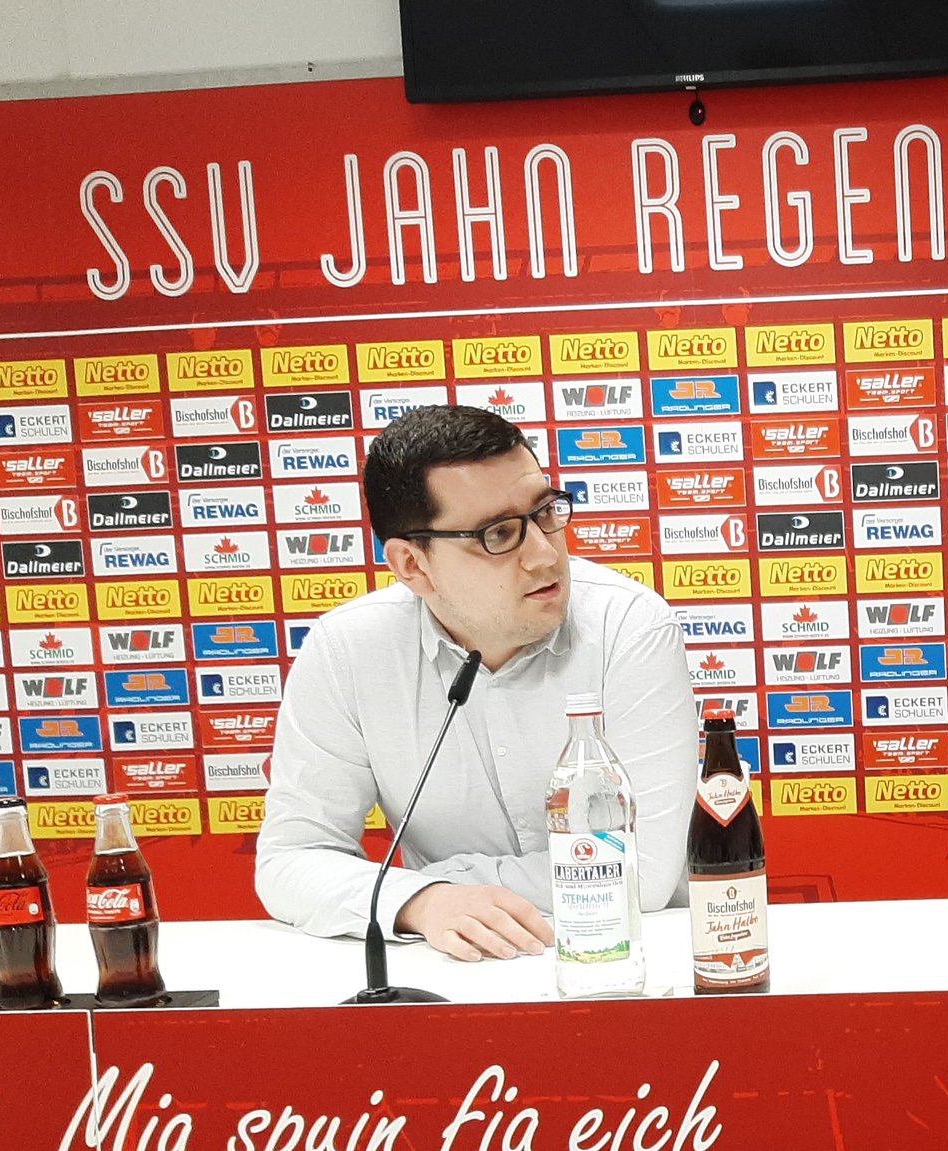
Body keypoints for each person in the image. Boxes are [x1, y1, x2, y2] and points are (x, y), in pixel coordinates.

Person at [257, 405, 699, 960]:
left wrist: (439, 883)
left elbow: (645, 872)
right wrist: (423, 904)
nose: (544, 555)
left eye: (546, 513)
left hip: (635, 959)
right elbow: (291, 860)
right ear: (412, 565)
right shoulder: (348, 651)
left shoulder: (628, 626)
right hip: (459, 968)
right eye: (499, 534)